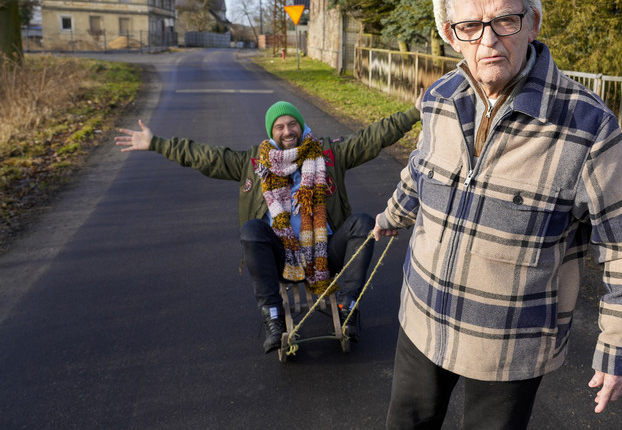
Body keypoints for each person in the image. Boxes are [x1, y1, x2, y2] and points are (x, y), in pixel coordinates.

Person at [373, 0, 622, 428]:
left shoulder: (586, 125)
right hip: (422, 319)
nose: (489, 41)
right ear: (449, 32)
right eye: (470, 26)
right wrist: (392, 215)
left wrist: (618, 342)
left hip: (509, 346)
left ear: (533, 22)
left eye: (505, 20)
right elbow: (420, 171)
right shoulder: (439, 98)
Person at [115, 98, 421, 354]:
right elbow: (205, 157)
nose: (287, 131)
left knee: (363, 223)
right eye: (280, 126)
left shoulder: (329, 153)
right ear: (272, 133)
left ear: (301, 126)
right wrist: (155, 143)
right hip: (280, 258)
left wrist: (414, 113)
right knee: (251, 229)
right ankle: (273, 315)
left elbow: (371, 138)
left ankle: (349, 306)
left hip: (327, 253)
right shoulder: (253, 162)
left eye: (292, 124)